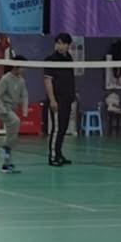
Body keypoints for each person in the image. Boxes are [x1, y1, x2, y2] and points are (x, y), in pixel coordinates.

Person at [43, 33, 78, 167]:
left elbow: (70, 79)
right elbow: (48, 81)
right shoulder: (50, 60)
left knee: (63, 128)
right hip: (57, 99)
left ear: (68, 45)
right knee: (57, 129)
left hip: (67, 99)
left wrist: (73, 95)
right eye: (58, 43)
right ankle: (52, 156)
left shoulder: (69, 59)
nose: (60, 46)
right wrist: (52, 100)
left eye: (63, 43)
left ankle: (59, 154)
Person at [0, 57, 28, 174]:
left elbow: (25, 95)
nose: (23, 69)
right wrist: (3, 109)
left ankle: (7, 163)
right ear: (15, 66)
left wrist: (25, 110)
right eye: (21, 67)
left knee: (11, 133)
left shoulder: (21, 81)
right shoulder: (5, 79)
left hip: (12, 109)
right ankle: (6, 146)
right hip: (3, 108)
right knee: (15, 121)